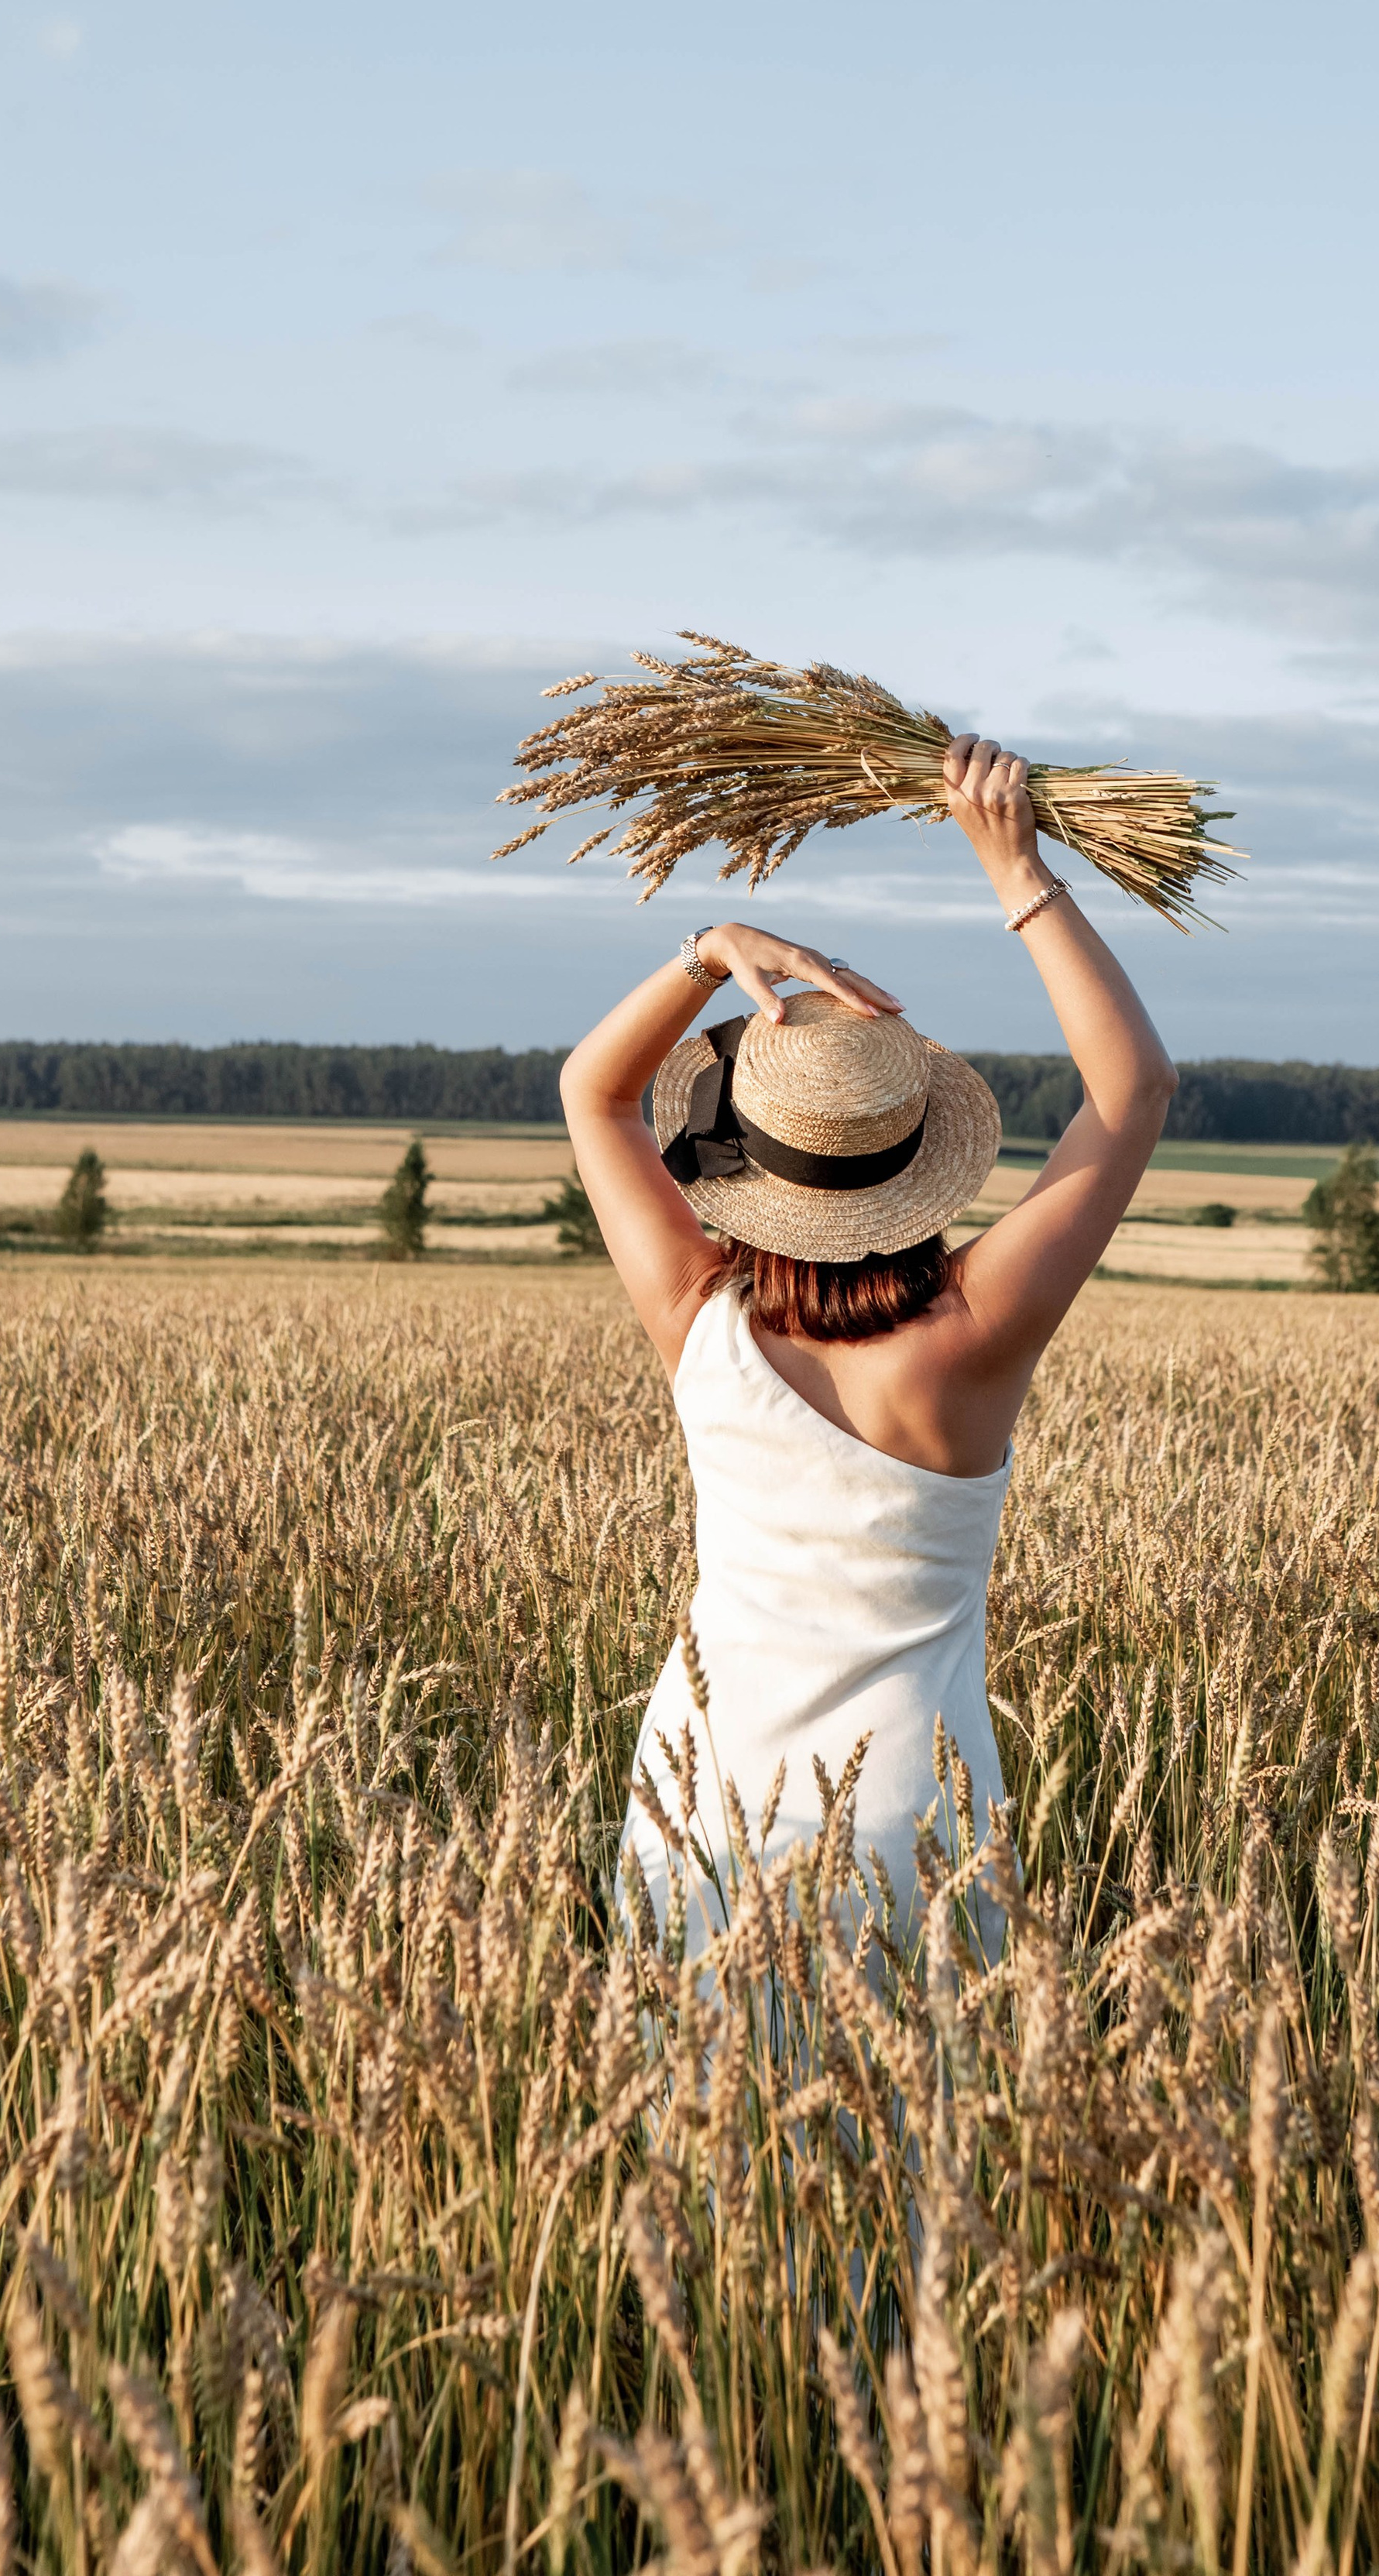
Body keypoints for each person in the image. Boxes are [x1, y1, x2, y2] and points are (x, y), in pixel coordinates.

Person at [559, 733, 1179, 1960]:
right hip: (915, 1817)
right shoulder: (973, 1337)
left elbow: (594, 1091)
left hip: (701, 1805)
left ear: (744, 1169)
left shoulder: (700, 1320)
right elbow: (1135, 1090)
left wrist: (708, 953)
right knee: (920, 2145)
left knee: (700, 2138)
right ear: (918, 1166)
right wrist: (1019, 875)